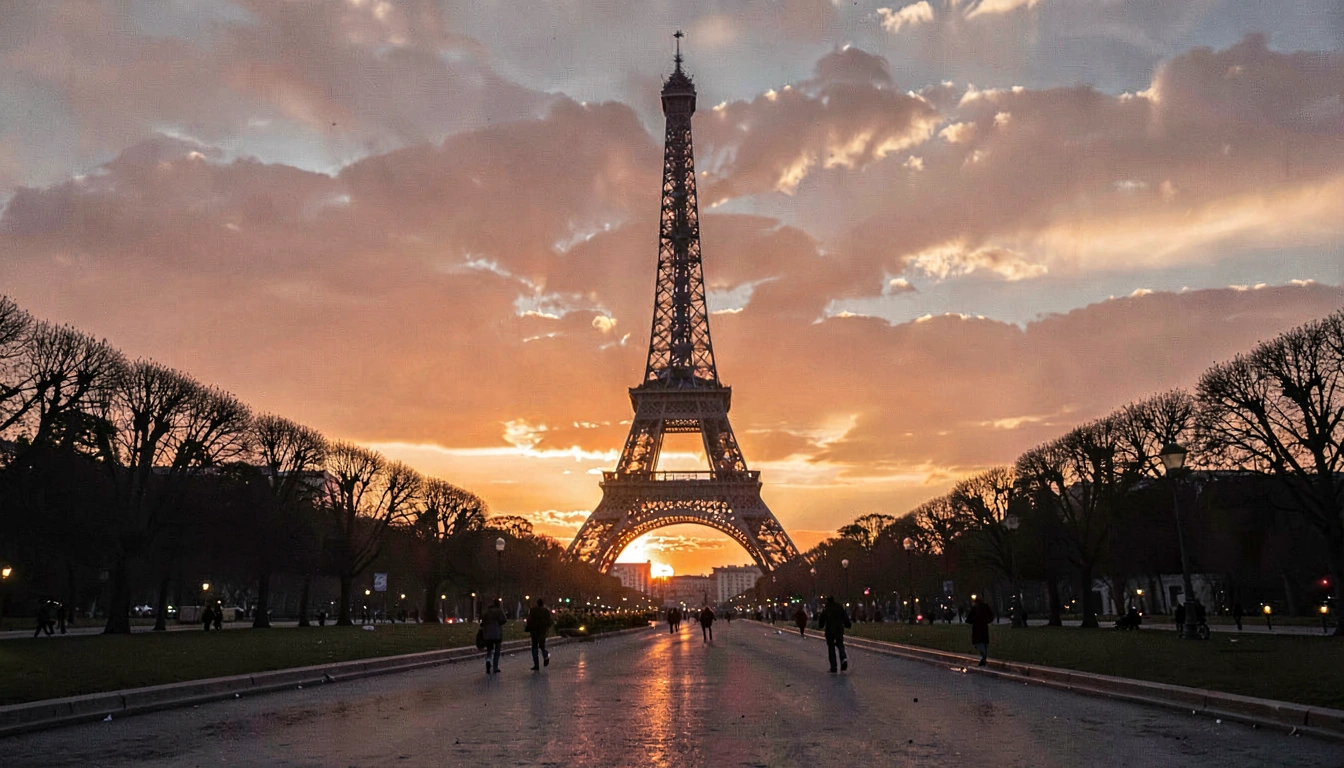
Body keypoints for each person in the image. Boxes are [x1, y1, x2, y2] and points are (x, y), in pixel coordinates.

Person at [817, 596, 851, 673]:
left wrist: (820, 626)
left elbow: (822, 619)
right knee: (840, 644)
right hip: (839, 629)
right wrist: (848, 625)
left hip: (829, 630)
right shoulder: (839, 607)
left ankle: (833, 666)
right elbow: (844, 616)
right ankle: (843, 658)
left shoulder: (826, 608)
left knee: (831, 648)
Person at [525, 597, 553, 671]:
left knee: (534, 647)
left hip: (534, 631)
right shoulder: (546, 611)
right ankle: (545, 655)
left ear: (537, 603)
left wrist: (528, 627)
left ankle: (536, 664)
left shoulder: (533, 610)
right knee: (542, 646)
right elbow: (549, 621)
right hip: (542, 631)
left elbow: (529, 619)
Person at [481, 598, 508, 674]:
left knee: (489, 650)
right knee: (497, 651)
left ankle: (488, 660)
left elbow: (482, 621)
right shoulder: (499, 611)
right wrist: (498, 623)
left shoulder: (487, 612)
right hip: (497, 633)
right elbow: (504, 620)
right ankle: (495, 667)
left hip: (487, 634)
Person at [967, 597, 994, 666]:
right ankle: (984, 657)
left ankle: (983, 656)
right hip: (984, 627)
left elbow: (969, 619)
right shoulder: (985, 607)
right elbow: (991, 617)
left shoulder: (974, 608)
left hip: (977, 627)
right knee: (984, 642)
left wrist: (969, 621)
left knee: (978, 642)